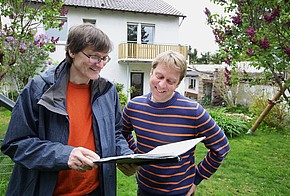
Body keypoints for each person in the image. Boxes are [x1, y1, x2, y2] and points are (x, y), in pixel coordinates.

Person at [1, 23, 137, 196]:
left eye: (104, 58)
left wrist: (125, 155)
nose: (100, 64)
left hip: (96, 190)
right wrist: (65, 155)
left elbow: (115, 133)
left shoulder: (107, 91)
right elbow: (16, 143)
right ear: (72, 51)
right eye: (94, 57)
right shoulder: (39, 89)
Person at [121, 50, 230, 195]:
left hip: (180, 192)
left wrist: (197, 178)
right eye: (159, 76)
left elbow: (221, 147)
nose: (161, 84)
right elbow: (122, 133)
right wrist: (134, 156)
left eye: (170, 81)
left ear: (178, 83)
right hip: (144, 189)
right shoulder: (134, 106)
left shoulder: (193, 111)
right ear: (151, 72)